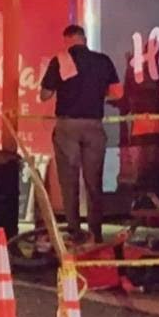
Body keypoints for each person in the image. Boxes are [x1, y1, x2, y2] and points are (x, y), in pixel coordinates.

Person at [40, 24, 123, 243]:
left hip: (68, 127)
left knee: (69, 181)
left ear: (67, 40)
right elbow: (117, 93)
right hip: (94, 126)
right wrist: (95, 94)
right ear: (84, 39)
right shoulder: (102, 61)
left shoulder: (60, 60)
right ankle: (95, 232)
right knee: (93, 181)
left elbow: (45, 95)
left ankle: (75, 231)